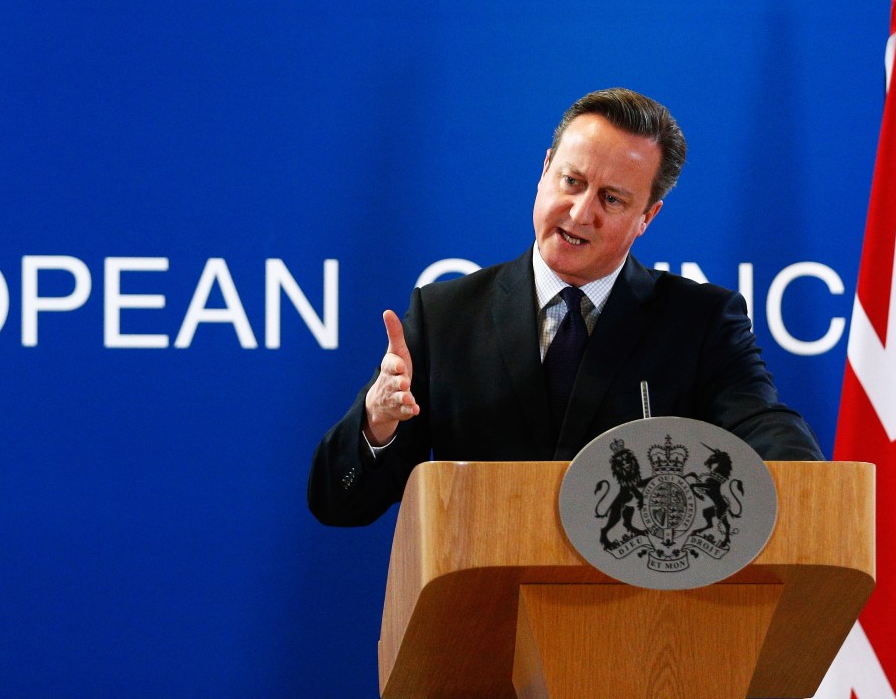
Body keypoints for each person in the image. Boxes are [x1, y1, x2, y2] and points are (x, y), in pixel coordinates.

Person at [307, 88, 823, 527]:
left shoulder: (700, 322)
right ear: (545, 169)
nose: (580, 212)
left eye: (612, 199)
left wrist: (814, 491)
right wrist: (376, 422)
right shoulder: (446, 317)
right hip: (480, 618)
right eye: (572, 182)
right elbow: (339, 503)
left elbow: (763, 423)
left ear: (648, 216)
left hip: (641, 626)